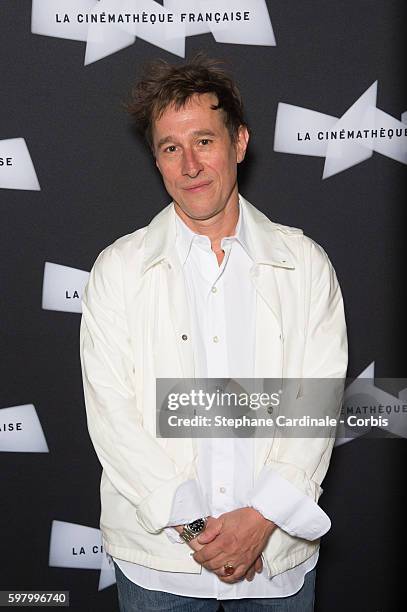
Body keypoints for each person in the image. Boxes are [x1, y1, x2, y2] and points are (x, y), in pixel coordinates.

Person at [79, 54, 348, 611]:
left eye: (204, 140)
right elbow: (113, 416)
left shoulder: (306, 265)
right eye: (171, 148)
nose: (190, 165)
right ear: (156, 160)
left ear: (240, 142)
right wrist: (195, 526)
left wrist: (259, 520)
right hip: (161, 566)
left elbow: (314, 406)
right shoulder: (118, 270)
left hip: (276, 562)